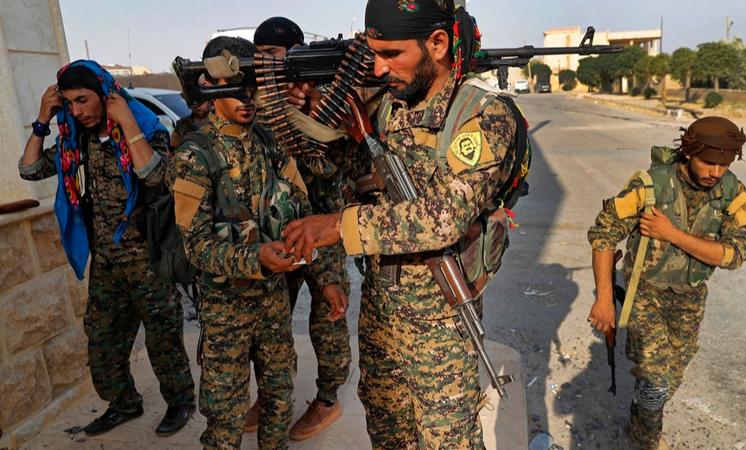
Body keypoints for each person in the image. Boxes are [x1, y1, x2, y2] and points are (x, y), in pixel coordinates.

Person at [281, 0, 520, 447]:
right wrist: (321, 119)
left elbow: (443, 219)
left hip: (440, 320)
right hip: (382, 308)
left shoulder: (483, 116)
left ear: (437, 43)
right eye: (374, 53)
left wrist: (338, 226)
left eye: (391, 54)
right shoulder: (391, 107)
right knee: (387, 425)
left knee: (446, 436)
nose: (379, 67)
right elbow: (353, 173)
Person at [170, 36, 345, 449]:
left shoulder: (271, 143)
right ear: (210, 87)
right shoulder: (196, 157)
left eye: (253, 85)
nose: (248, 98)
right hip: (225, 312)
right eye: (235, 86)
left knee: (278, 403)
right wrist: (257, 258)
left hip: (272, 305)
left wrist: (327, 278)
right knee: (226, 419)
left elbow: (304, 216)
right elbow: (195, 246)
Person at [18, 60, 195, 436]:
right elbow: (29, 170)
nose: (77, 110)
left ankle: (180, 403)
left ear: (106, 95)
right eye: (69, 102)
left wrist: (128, 122)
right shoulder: (73, 141)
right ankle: (124, 404)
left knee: (164, 342)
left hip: (150, 262)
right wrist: (42, 120)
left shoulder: (147, 130)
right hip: (108, 266)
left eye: (83, 100)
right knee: (102, 343)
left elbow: (157, 178)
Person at [587, 116, 746, 449]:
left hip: (690, 298)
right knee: (657, 377)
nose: (716, 172)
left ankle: (641, 419)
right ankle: (647, 437)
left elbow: (736, 253)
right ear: (689, 152)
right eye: (709, 163)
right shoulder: (649, 186)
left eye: (725, 164)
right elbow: (604, 234)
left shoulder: (732, 193)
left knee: (671, 376)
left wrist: (672, 234)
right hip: (645, 293)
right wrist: (604, 299)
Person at [244, 16, 352, 440]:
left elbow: (335, 164)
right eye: (262, 54)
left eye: (276, 54)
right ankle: (272, 395)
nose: (268, 62)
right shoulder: (256, 101)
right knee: (272, 321)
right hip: (277, 229)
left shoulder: (319, 95)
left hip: (324, 224)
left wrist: (306, 108)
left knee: (328, 316)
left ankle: (327, 398)